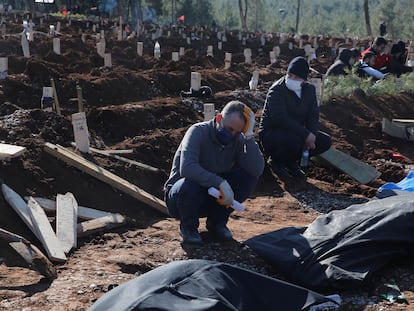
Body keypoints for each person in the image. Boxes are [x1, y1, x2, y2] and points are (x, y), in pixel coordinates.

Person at [164, 101, 264, 244]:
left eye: (238, 132)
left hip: (213, 197)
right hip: (181, 198)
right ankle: (188, 227)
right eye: (229, 129)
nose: (232, 134)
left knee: (247, 178)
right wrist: (220, 183)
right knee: (190, 184)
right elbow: (187, 168)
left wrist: (248, 137)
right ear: (218, 119)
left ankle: (217, 223)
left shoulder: (237, 140)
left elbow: (256, 169)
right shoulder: (198, 131)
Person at [259, 57, 331, 179]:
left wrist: (312, 134)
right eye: (290, 75)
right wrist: (305, 134)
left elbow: (313, 114)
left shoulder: (309, 90)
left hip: (295, 132)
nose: (292, 79)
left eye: (296, 77)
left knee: (324, 141)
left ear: (303, 79)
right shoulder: (277, 90)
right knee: (295, 141)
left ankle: (291, 162)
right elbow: (280, 119)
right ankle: (277, 162)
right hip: (272, 133)